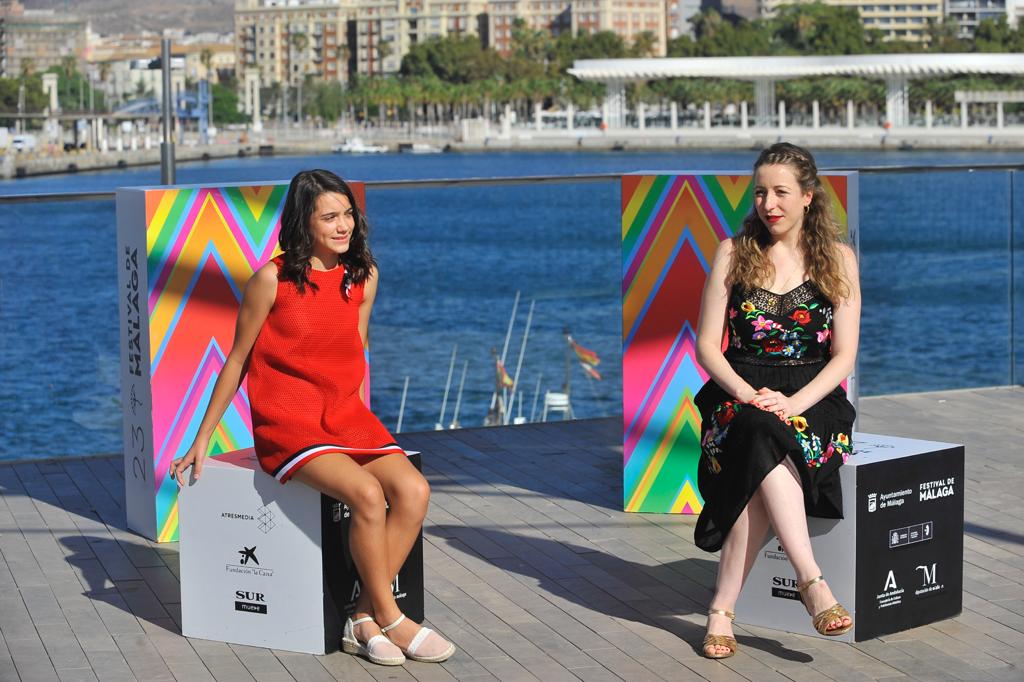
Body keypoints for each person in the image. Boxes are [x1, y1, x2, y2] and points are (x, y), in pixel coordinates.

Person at [169, 169, 456, 667]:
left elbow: (355, 349)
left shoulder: (363, 276)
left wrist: (359, 421)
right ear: (304, 222)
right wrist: (203, 437)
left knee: (414, 490)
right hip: (289, 422)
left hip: (346, 416)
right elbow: (236, 359)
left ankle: (362, 617)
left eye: (347, 214)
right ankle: (392, 619)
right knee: (367, 494)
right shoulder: (271, 280)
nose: (343, 225)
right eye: (329, 217)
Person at [693, 143, 861, 658]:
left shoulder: (838, 259)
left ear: (808, 196)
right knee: (756, 431)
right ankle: (811, 580)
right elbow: (706, 345)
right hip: (736, 395)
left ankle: (722, 609)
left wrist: (792, 403)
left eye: (782, 192)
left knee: (763, 438)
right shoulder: (732, 252)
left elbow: (843, 357)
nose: (769, 203)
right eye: (761, 191)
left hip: (814, 399)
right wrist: (747, 394)